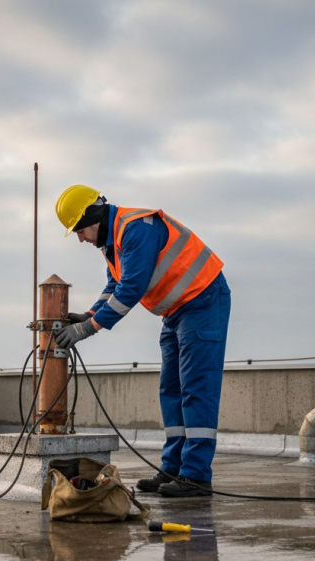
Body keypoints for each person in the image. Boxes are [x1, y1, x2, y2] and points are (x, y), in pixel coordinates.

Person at [54, 185, 231, 498]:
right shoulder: (112, 243)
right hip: (176, 312)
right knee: (171, 390)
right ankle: (173, 469)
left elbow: (131, 289)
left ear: (93, 217)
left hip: (202, 302)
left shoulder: (136, 229)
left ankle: (196, 476)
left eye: (80, 231)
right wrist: (90, 314)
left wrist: (88, 328)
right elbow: (115, 285)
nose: (81, 239)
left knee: (196, 388)